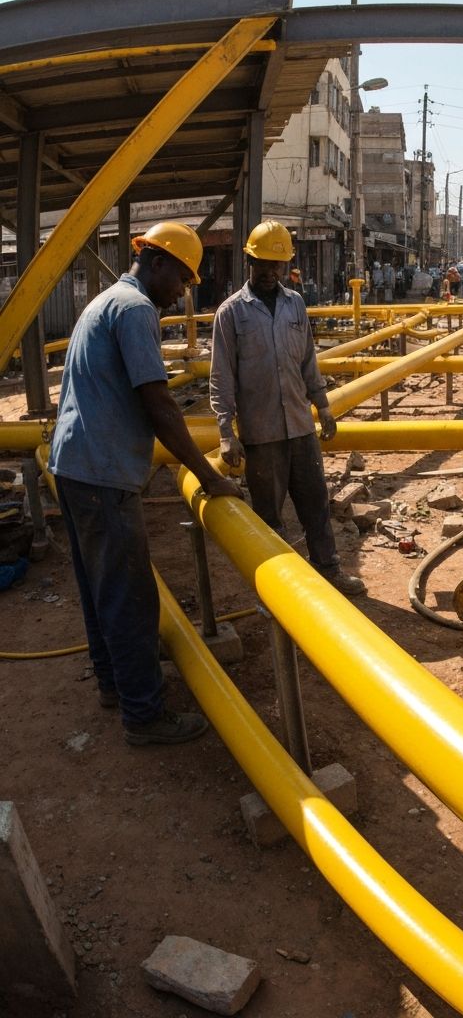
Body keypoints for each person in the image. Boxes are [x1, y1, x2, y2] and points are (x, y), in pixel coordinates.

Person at [49, 222, 242, 745]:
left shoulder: (106, 300)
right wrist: (207, 477)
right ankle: (144, 716)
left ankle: (116, 684)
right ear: (157, 263)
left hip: (73, 466)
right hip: (103, 472)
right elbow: (158, 404)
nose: (182, 293)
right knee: (131, 596)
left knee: (100, 588)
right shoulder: (136, 312)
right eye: (181, 279)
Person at [210, 220, 366, 597]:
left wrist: (324, 407)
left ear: (285, 267)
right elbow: (221, 376)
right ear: (250, 261)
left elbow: (307, 361)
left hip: (300, 426)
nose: (269, 271)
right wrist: (225, 434)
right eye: (262, 263)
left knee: (316, 506)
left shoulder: (295, 304)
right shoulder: (231, 313)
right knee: (269, 517)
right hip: (261, 434)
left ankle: (329, 573)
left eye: (275, 265)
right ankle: (279, 590)